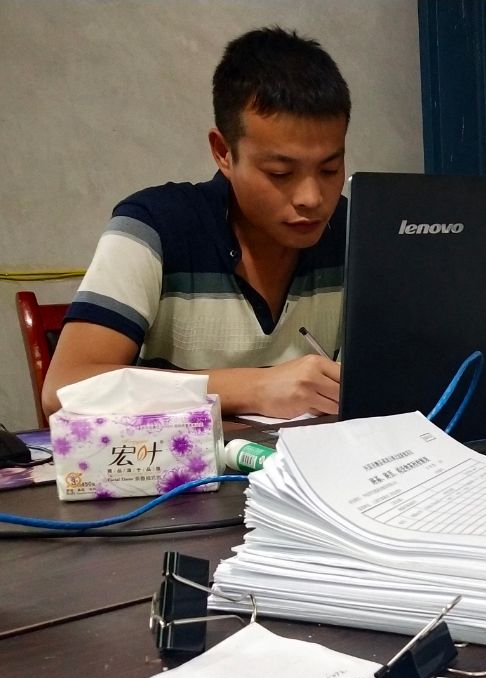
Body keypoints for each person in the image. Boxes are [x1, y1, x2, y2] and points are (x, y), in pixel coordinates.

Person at [41, 27, 350, 419]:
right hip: (190, 458)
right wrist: (256, 388)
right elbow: (64, 388)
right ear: (223, 152)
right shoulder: (155, 226)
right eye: (280, 173)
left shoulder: (354, 231)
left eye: (329, 169)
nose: (312, 198)